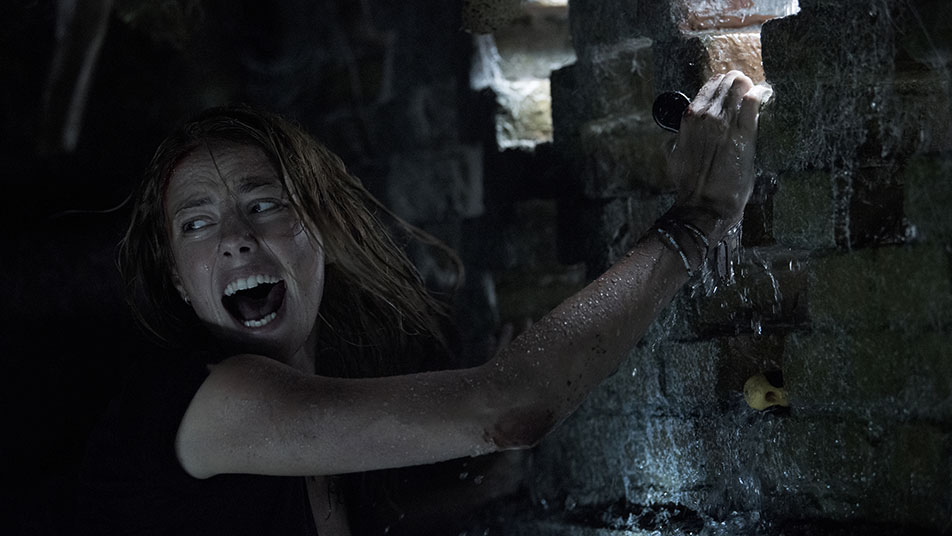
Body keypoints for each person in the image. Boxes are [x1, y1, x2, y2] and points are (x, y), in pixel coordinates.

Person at [75, 70, 770, 535]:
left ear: (323, 230)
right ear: (176, 278)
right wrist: (701, 213)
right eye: (197, 223)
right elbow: (510, 409)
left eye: (264, 205)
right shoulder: (218, 404)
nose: (234, 239)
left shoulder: (306, 408)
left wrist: (483, 488)